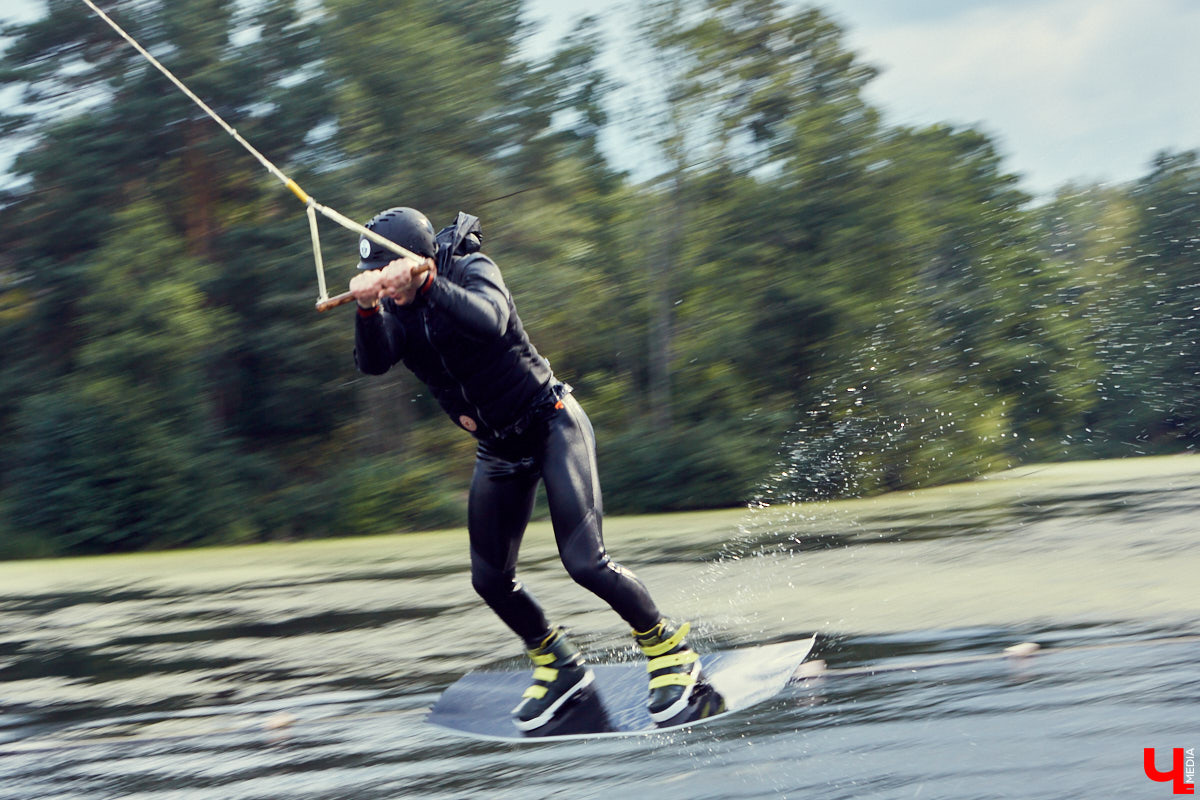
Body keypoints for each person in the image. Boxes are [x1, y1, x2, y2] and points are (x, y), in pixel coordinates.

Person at [347, 206, 714, 731]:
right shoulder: (396, 311)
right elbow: (375, 362)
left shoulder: (472, 272)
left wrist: (427, 286)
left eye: (389, 277)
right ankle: (560, 666)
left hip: (551, 423)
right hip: (499, 449)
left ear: (415, 261)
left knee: (586, 562)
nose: (387, 290)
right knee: (490, 579)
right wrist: (365, 311)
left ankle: (669, 650)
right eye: (377, 281)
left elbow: (491, 322)